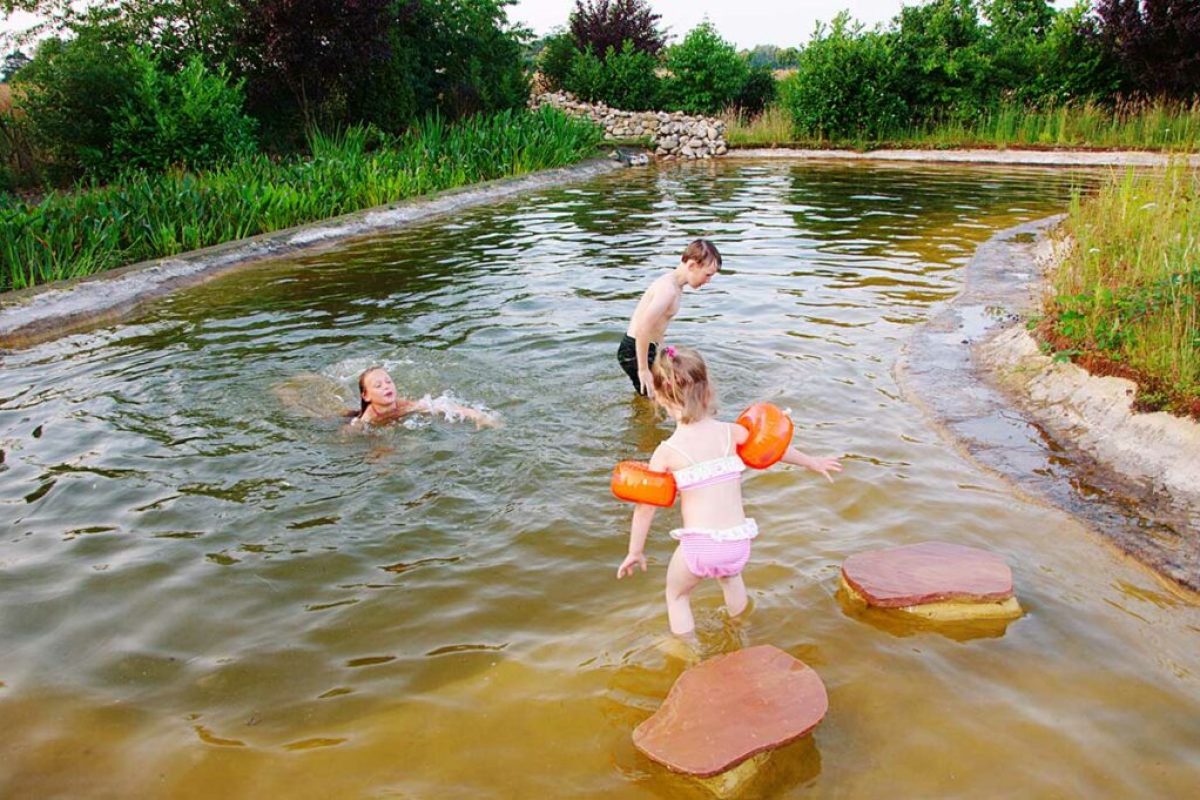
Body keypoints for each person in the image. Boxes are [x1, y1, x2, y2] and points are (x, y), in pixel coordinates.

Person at [615, 346, 842, 639]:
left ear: (659, 397)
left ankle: (690, 653)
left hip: (700, 547)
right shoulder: (731, 433)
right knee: (731, 580)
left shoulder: (666, 453)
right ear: (707, 390)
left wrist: (635, 551)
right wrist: (813, 462)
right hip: (737, 542)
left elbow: (646, 507)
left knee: (677, 596)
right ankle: (742, 633)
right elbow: (774, 449)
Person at [618, 239, 722, 399]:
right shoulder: (668, 290)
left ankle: (642, 415)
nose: (708, 281)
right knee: (657, 400)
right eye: (707, 275)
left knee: (654, 397)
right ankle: (645, 421)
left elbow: (656, 328)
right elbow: (643, 328)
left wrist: (663, 353)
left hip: (646, 348)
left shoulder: (675, 285)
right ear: (692, 265)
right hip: (635, 350)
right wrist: (643, 369)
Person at [348, 366, 498, 429]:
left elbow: (440, 405)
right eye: (378, 385)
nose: (386, 386)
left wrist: (476, 415)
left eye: (389, 382)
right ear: (366, 396)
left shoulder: (403, 405)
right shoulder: (366, 421)